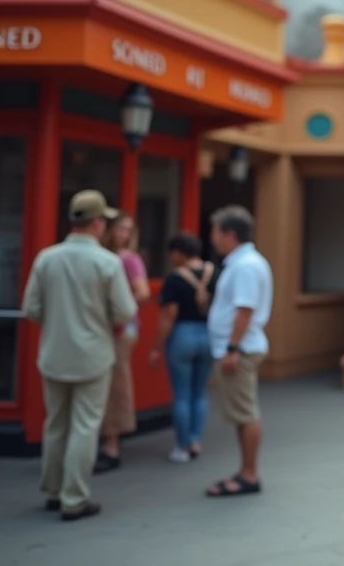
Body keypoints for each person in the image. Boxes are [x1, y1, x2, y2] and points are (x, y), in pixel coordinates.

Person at [22, 190, 136, 521]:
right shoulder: (108, 262)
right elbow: (124, 310)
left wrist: (58, 321)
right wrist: (103, 322)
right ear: (98, 223)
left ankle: (54, 491)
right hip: (93, 355)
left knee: (55, 423)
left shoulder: (46, 258)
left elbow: (31, 309)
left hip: (54, 353)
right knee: (85, 425)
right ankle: (75, 497)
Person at [204, 206, 273, 497]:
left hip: (240, 349)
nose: (213, 238)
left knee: (245, 413)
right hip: (240, 347)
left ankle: (248, 474)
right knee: (243, 412)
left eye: (216, 231)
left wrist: (232, 348)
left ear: (230, 234)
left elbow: (244, 311)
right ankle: (246, 470)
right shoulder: (244, 262)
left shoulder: (245, 265)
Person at [150, 232, 216, 463]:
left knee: (182, 394)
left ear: (177, 253)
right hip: (208, 335)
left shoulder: (175, 278)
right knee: (200, 393)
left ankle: (182, 446)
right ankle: (196, 440)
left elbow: (169, 314)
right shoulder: (214, 273)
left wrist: (157, 346)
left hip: (183, 335)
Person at [95, 212, 148, 473]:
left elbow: (142, 291)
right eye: (119, 229)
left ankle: (112, 442)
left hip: (120, 329)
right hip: (104, 328)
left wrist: (119, 313)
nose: (123, 235)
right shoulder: (104, 256)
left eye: (128, 230)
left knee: (116, 383)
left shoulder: (128, 259)